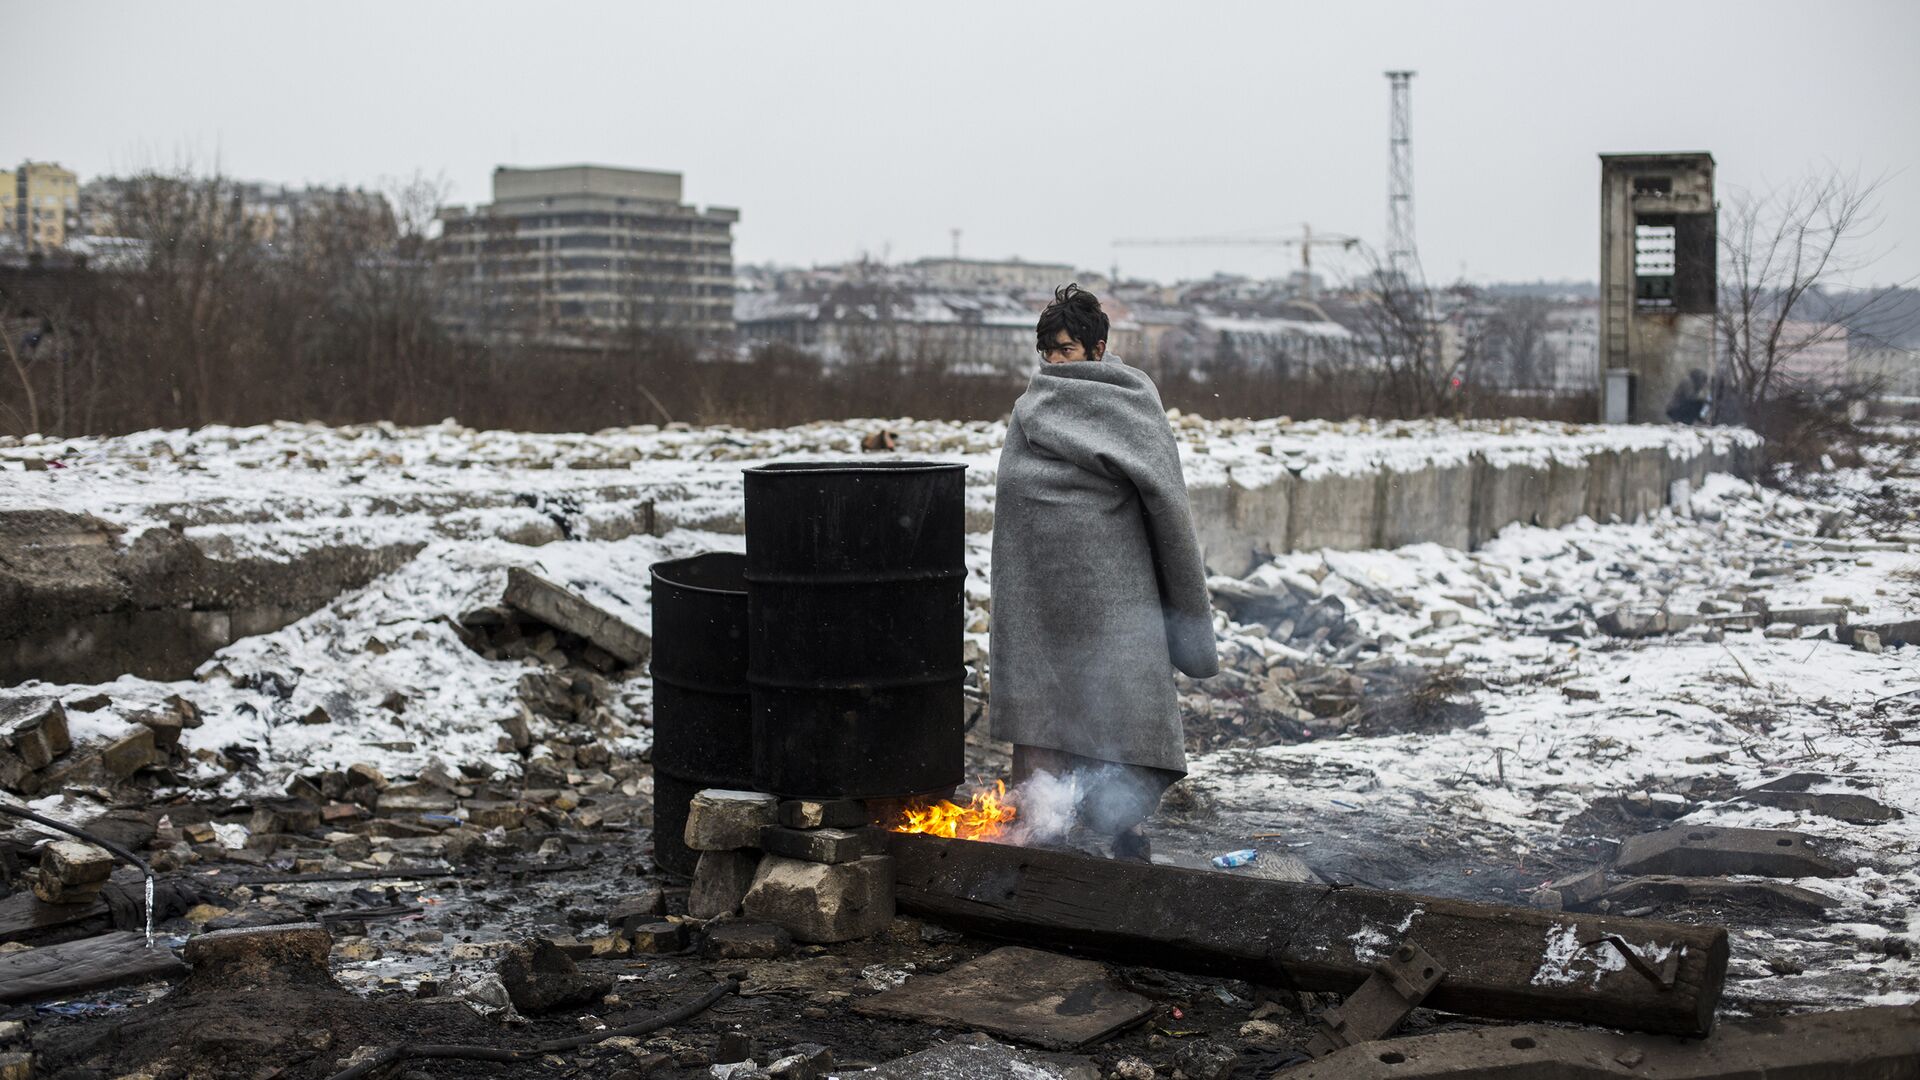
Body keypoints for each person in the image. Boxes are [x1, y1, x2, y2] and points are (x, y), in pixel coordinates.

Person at [989, 284, 1219, 860]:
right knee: (1048, 704)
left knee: (1120, 700)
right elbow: (1014, 491)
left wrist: (1184, 607)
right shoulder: (1030, 408)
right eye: (1048, 351)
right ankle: (1042, 829)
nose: (1055, 361)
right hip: (1041, 589)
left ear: (1097, 347)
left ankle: (1125, 829)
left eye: (1065, 349)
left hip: (1116, 591)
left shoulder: (1132, 401)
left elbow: (1166, 501)